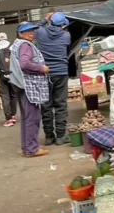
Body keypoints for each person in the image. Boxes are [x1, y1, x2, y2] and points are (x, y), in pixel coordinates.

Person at [9, 22, 50, 158]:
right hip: (28, 86)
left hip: (20, 85)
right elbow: (25, 64)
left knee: (27, 118)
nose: (31, 33)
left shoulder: (17, 44)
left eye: (32, 30)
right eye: (27, 31)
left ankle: (27, 148)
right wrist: (41, 68)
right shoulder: (25, 45)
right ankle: (32, 149)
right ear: (20, 34)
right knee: (32, 118)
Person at [34, 12, 71, 145]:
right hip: (61, 72)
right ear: (62, 25)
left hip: (44, 73)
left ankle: (49, 136)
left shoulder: (40, 33)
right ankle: (61, 136)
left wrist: (45, 19)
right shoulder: (66, 36)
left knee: (46, 105)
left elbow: (35, 27)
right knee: (60, 104)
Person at [0, 32, 18, 127]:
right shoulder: (12, 47)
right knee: (13, 95)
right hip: (13, 75)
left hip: (1, 76)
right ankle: (13, 115)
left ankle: (8, 119)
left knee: (5, 97)